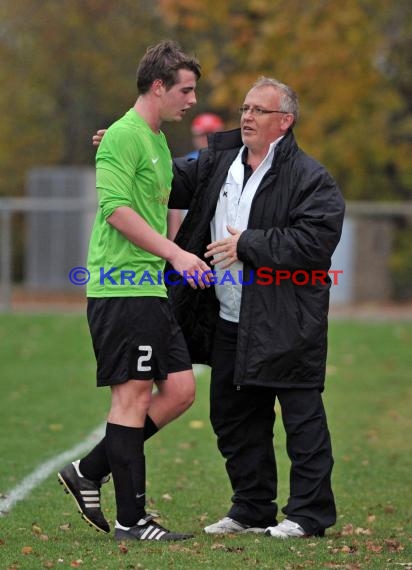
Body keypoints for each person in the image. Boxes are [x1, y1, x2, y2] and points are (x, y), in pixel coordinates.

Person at [168, 77, 345, 539]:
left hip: (286, 321)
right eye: (245, 108)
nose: (246, 117)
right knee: (233, 418)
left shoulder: (310, 177)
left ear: (283, 121)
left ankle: (309, 516)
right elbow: (168, 182)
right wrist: (128, 150)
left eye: (259, 111)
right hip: (229, 317)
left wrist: (248, 242)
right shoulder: (219, 162)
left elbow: (316, 241)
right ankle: (251, 510)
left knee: (302, 422)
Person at [57, 40, 211, 542]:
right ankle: (132, 521)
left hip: (149, 286)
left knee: (182, 390)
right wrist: (175, 254)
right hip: (121, 286)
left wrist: (171, 253)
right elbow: (116, 211)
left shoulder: (154, 140)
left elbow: (159, 212)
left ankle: (88, 470)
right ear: (159, 85)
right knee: (132, 398)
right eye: (185, 90)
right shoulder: (125, 136)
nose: (191, 100)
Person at [167, 112, 224, 240]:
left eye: (210, 134)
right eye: (202, 135)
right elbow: (175, 210)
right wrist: (174, 243)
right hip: (191, 230)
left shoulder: (229, 161)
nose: (206, 138)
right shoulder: (187, 162)